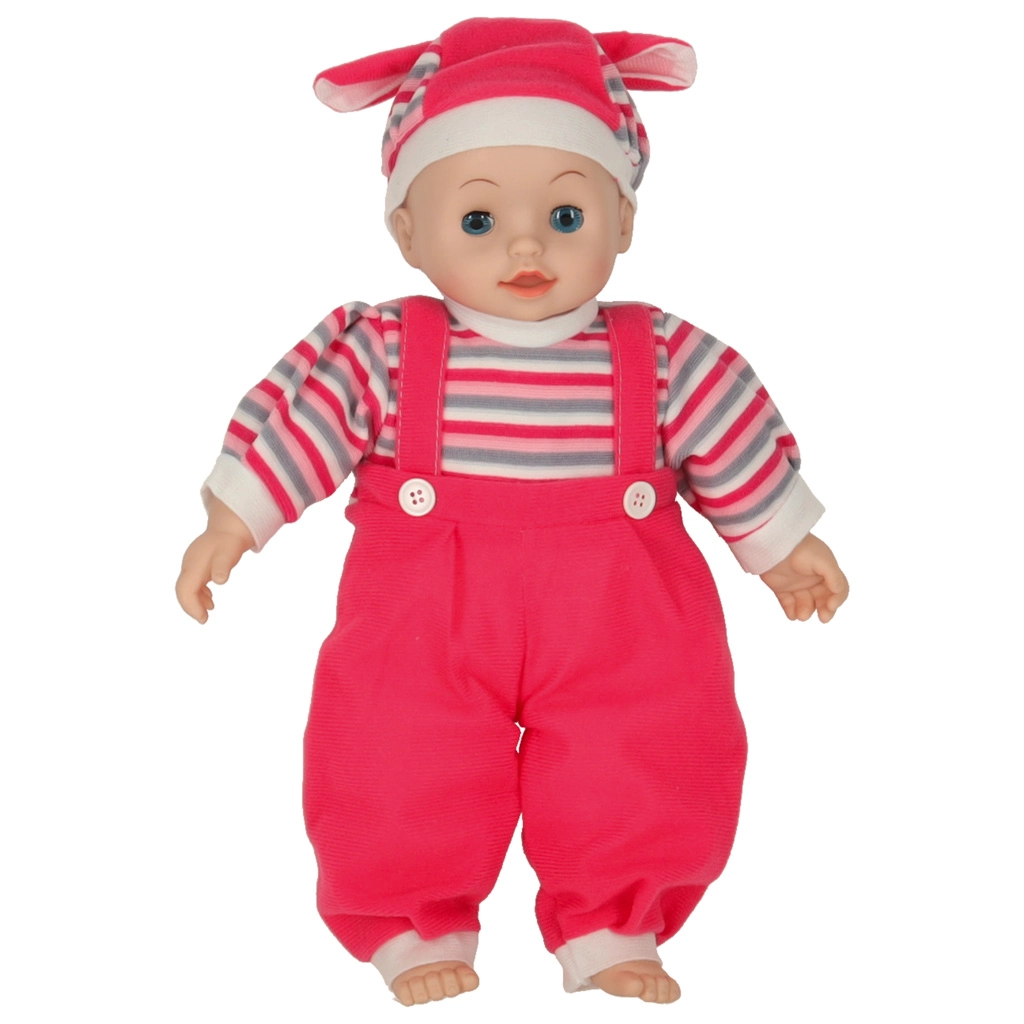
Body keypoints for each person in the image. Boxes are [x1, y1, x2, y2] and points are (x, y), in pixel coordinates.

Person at [176, 17, 849, 1007]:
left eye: (567, 216)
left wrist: (784, 541)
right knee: (395, 748)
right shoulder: (385, 350)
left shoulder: (662, 355)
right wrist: (235, 521)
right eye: (479, 219)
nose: (526, 244)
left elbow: (732, 433)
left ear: (624, 222)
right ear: (407, 232)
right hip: (424, 620)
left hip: (626, 619)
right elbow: (306, 423)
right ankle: (411, 920)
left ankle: (616, 921)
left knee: (651, 745)